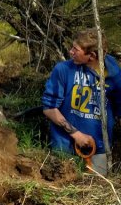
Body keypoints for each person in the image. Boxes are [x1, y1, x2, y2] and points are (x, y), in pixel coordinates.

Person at [42, 29, 121, 176]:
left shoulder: (114, 74)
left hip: (99, 147)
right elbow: (49, 108)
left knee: (97, 187)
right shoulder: (63, 69)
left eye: (75, 49)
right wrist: (77, 135)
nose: (70, 52)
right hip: (64, 145)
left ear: (91, 56)